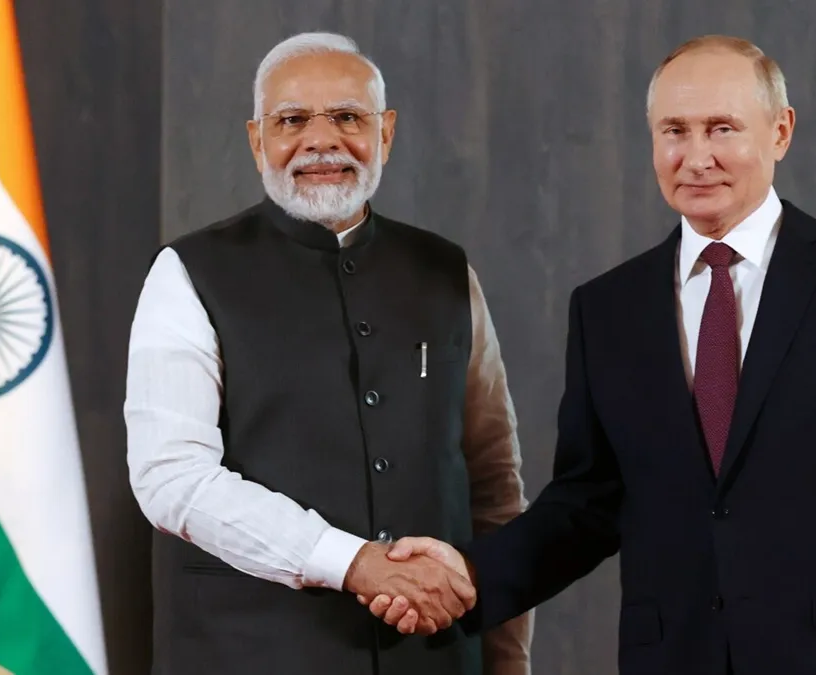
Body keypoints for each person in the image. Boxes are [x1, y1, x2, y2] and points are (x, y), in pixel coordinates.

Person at [366, 35, 816, 674]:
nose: (696, 157)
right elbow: (588, 503)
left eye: (722, 128)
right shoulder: (608, 308)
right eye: (674, 131)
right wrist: (470, 572)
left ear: (780, 131)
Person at [123, 31, 530, 675]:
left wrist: (506, 663)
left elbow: (494, 486)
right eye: (291, 120)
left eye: (347, 117)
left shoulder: (446, 271)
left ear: (385, 133)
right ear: (258, 139)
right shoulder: (188, 273)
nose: (321, 141)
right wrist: (352, 562)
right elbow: (172, 478)